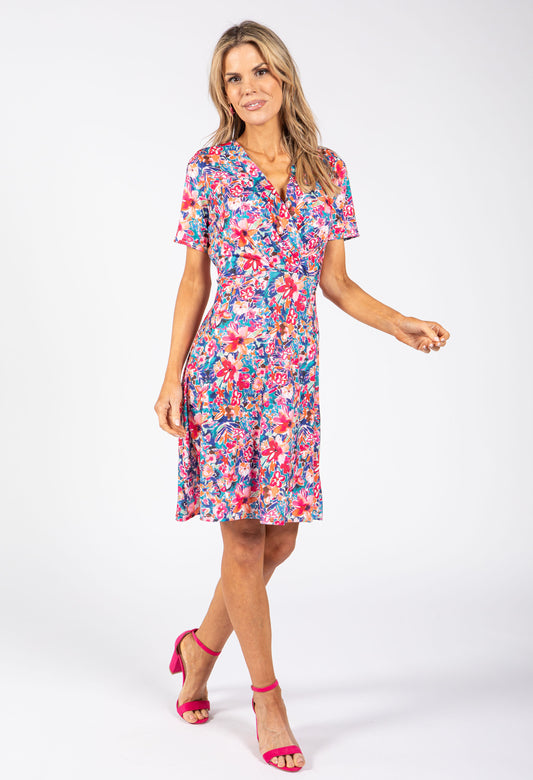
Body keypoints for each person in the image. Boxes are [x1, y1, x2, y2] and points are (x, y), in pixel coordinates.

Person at [154, 19, 450, 772]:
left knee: (278, 539)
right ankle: (265, 696)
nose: (247, 87)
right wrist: (169, 376)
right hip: (222, 374)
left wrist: (398, 324)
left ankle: (198, 646)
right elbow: (195, 280)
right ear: (221, 92)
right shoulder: (209, 169)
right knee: (242, 540)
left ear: (283, 77)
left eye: (259, 72)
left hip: (291, 380)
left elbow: (337, 283)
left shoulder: (327, 170)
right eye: (232, 78)